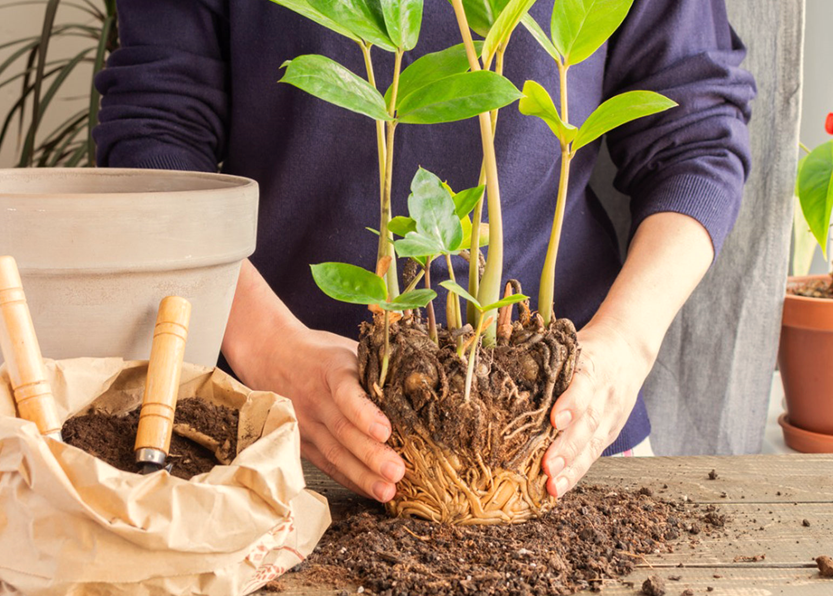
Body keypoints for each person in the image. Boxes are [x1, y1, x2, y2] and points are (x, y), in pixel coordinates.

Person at [94, 0, 755, 503]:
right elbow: (153, 140)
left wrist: (624, 349)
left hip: (560, 428)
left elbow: (696, 135)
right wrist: (267, 347)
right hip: (271, 427)